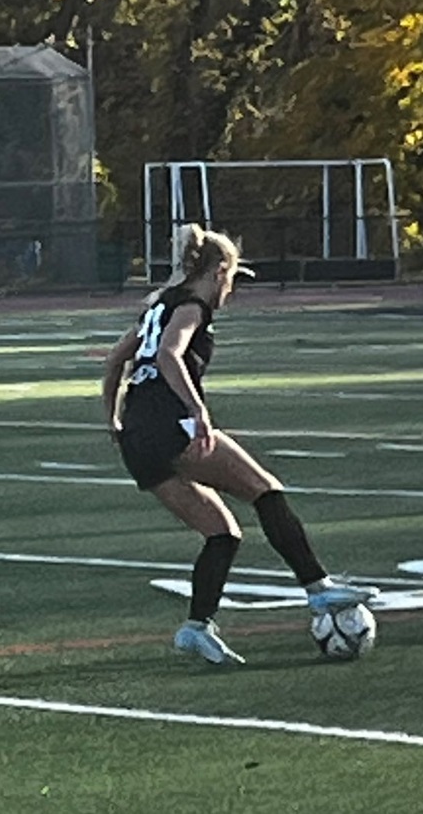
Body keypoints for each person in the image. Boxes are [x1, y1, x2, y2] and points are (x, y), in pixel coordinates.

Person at [101, 224, 379, 665]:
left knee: (221, 532)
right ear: (218, 271)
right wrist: (197, 411)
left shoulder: (157, 306)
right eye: (231, 279)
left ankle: (197, 628)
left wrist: (114, 420)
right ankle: (317, 588)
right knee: (265, 489)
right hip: (169, 426)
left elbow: (117, 360)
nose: (230, 290)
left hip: (138, 437)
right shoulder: (192, 305)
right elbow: (171, 354)